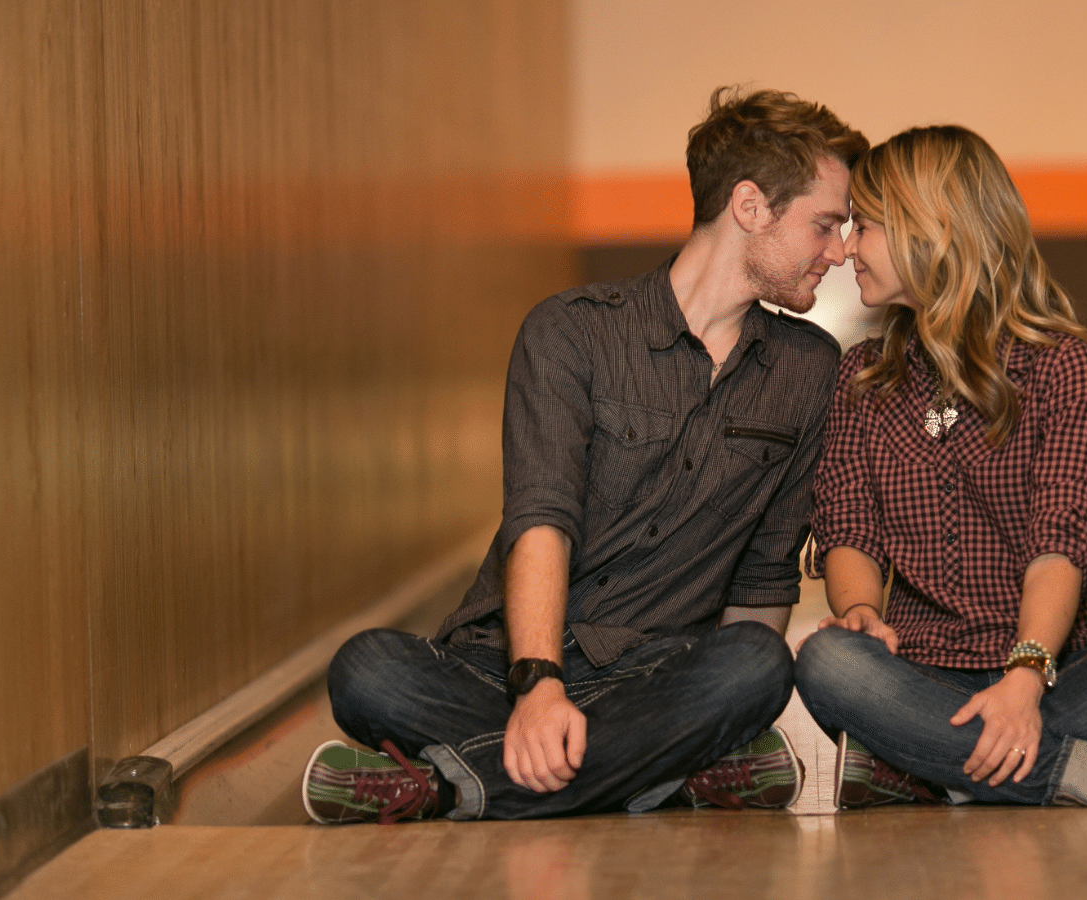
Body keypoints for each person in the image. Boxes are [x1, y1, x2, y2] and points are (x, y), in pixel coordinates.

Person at [302, 87, 868, 823]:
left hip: (659, 676)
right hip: (502, 669)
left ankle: (446, 787)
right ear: (750, 206)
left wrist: (728, 711)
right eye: (825, 225)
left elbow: (761, 585)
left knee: (758, 668)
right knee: (366, 670)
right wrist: (538, 686)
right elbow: (541, 519)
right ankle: (657, 773)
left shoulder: (810, 370)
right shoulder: (569, 333)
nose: (840, 249)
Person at [794, 125, 1087, 809]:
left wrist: (1025, 676)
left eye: (867, 226)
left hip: (1062, 672)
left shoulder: (1066, 367)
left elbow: (1058, 546)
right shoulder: (861, 377)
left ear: (935, 230)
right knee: (828, 661)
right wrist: (860, 610)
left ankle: (928, 769)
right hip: (921, 678)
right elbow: (849, 530)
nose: (848, 247)